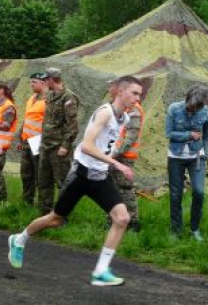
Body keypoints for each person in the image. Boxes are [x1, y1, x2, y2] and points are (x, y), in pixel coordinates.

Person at [8, 76, 144, 286]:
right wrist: (116, 164)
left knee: (122, 218)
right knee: (55, 219)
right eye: (134, 93)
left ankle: (101, 271)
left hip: (99, 177)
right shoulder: (105, 112)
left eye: (140, 95)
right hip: (81, 174)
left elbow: (106, 145)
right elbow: (87, 146)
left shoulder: (124, 118)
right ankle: (19, 240)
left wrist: (110, 161)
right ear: (120, 91)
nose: (138, 98)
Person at [165, 84, 208, 240]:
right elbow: (169, 133)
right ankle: (175, 230)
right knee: (175, 194)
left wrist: (206, 154)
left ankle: (195, 229)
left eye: (196, 107)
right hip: (175, 156)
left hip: (197, 156)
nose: (192, 109)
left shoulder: (206, 111)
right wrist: (189, 135)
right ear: (187, 98)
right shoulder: (174, 109)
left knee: (199, 192)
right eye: (191, 106)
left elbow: (206, 136)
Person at [37, 67, 79, 215]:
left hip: (59, 148)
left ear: (51, 79)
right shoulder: (50, 95)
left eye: (45, 79)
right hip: (46, 145)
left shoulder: (68, 97)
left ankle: (62, 215)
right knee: (44, 181)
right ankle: (45, 214)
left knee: (63, 183)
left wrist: (65, 146)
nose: (44, 82)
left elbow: (72, 125)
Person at [106, 78, 144, 232]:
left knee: (125, 188)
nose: (109, 90)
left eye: (111, 87)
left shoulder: (134, 109)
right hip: (113, 154)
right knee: (111, 188)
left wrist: (114, 154)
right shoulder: (116, 107)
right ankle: (113, 219)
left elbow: (130, 137)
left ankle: (133, 222)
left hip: (125, 156)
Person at [16, 72, 47, 207]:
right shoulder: (32, 98)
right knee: (26, 173)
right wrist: (21, 138)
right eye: (31, 82)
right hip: (27, 141)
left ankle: (43, 204)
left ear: (43, 83)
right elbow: (27, 119)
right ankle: (27, 201)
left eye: (34, 82)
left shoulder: (48, 100)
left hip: (38, 141)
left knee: (40, 174)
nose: (31, 84)